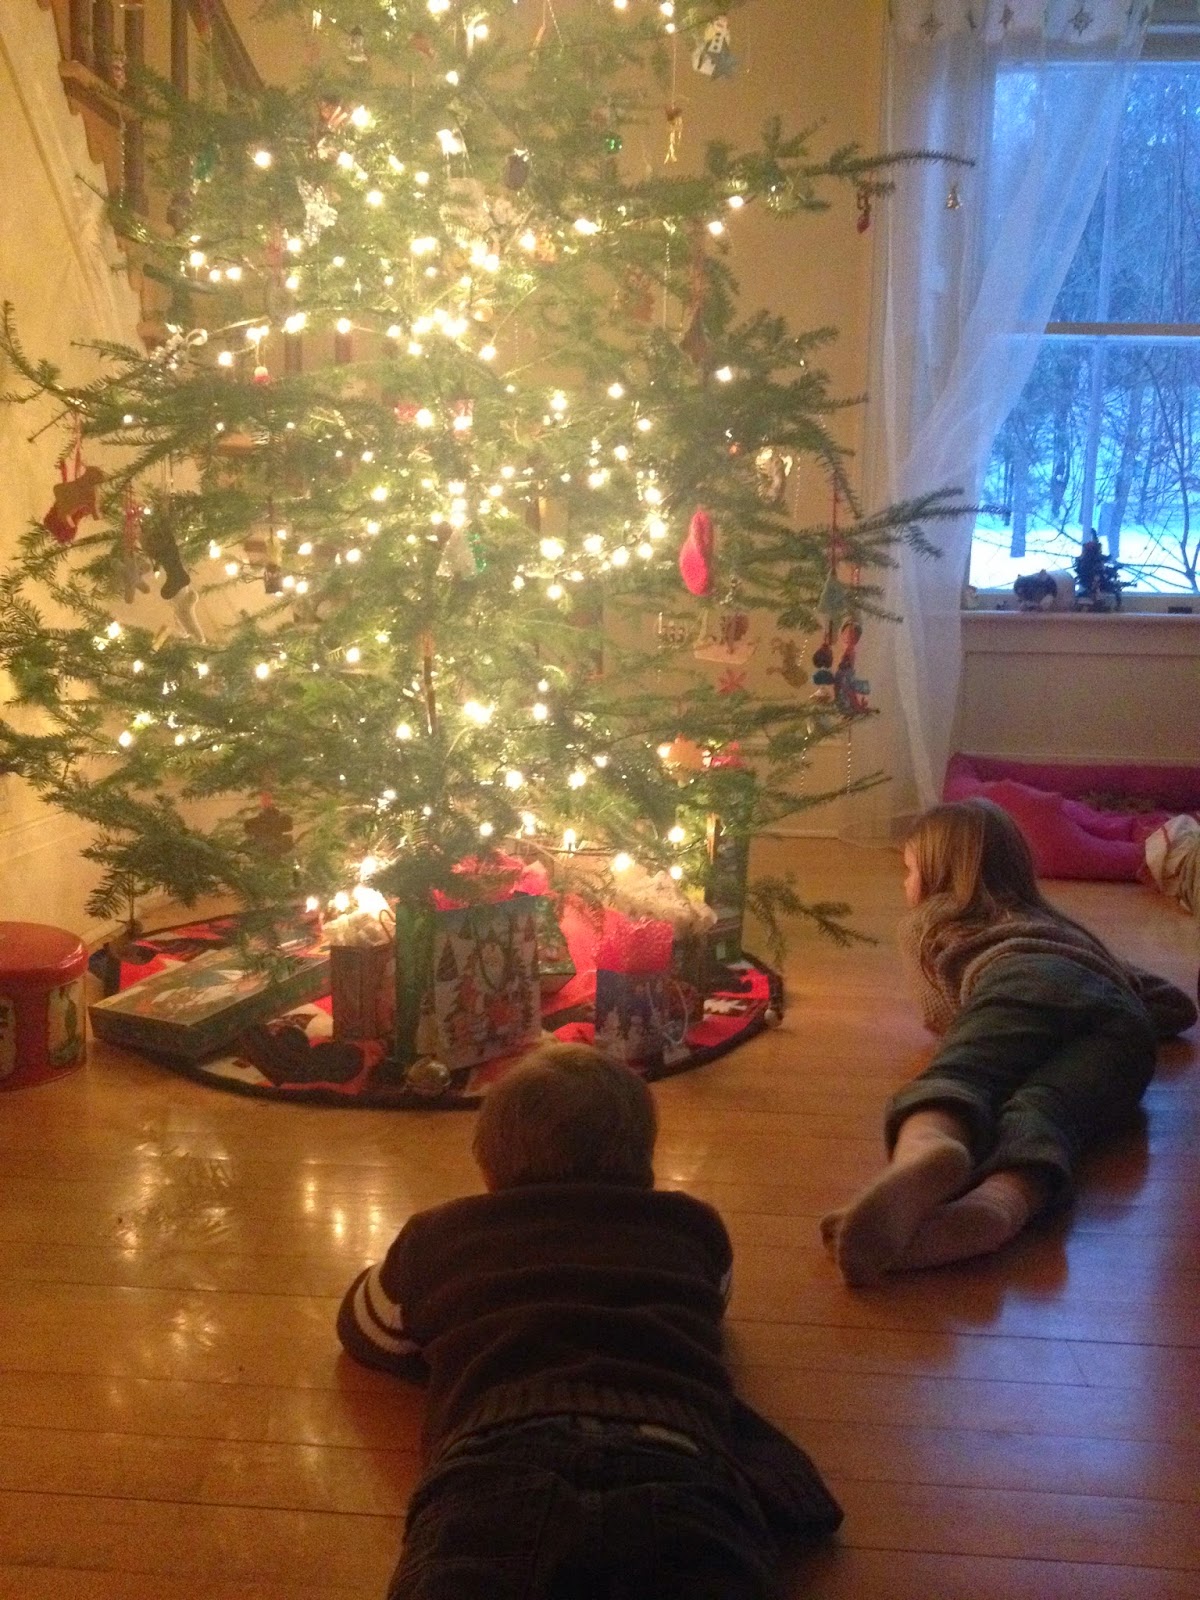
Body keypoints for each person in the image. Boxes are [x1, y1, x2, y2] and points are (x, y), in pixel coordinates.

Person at [338, 1041, 840, 1599]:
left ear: (486, 1165)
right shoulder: (691, 1227)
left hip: (495, 1464)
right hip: (676, 1458)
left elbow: (365, 1326)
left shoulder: (439, 1235)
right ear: (645, 1161)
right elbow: (711, 1304)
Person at [822, 798, 1197, 1289]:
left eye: (909, 871)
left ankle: (929, 1149)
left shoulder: (932, 917)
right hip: (1126, 1030)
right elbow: (1175, 1006)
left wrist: (1001, 1028)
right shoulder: (1057, 922)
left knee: (961, 1075)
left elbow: (939, 1014)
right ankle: (998, 1206)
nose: (905, 884)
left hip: (1016, 981)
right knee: (1050, 1113)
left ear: (937, 875)